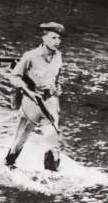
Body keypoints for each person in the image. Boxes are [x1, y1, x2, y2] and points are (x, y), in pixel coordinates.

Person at [5, 23, 64, 171]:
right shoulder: (30, 56)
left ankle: (51, 178)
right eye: (53, 37)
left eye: (59, 38)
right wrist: (27, 91)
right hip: (31, 102)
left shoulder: (59, 56)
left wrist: (58, 89)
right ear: (44, 38)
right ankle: (8, 166)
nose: (57, 41)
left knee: (53, 143)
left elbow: (56, 77)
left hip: (50, 102)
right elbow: (14, 77)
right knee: (19, 140)